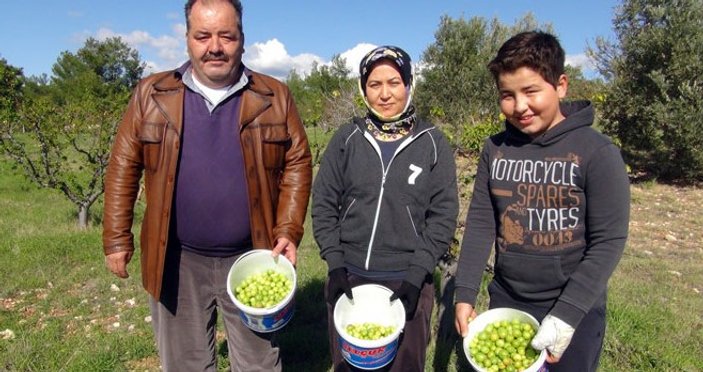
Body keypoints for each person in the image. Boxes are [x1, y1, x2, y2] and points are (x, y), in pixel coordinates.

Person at [101, 0, 312, 370]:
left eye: (226, 36)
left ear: (242, 40)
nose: (214, 46)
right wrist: (117, 238)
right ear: (188, 40)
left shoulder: (274, 96)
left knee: (258, 363)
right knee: (185, 364)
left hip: (253, 256)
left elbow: (297, 162)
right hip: (177, 259)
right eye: (203, 36)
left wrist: (288, 229)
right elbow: (123, 165)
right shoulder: (151, 95)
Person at [454, 31, 630, 371]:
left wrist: (566, 315)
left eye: (531, 91)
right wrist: (464, 294)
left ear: (561, 85)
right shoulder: (495, 149)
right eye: (507, 95)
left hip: (573, 308)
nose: (519, 106)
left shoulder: (597, 152)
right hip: (507, 300)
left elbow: (608, 241)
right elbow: (480, 223)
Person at [312, 45, 459, 371]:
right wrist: (335, 265)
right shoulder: (347, 138)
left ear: (409, 84)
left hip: (406, 281)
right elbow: (323, 203)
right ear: (364, 89)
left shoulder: (433, 144)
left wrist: (417, 273)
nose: (384, 94)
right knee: (350, 366)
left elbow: (443, 216)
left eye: (394, 82)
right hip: (350, 277)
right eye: (374, 84)